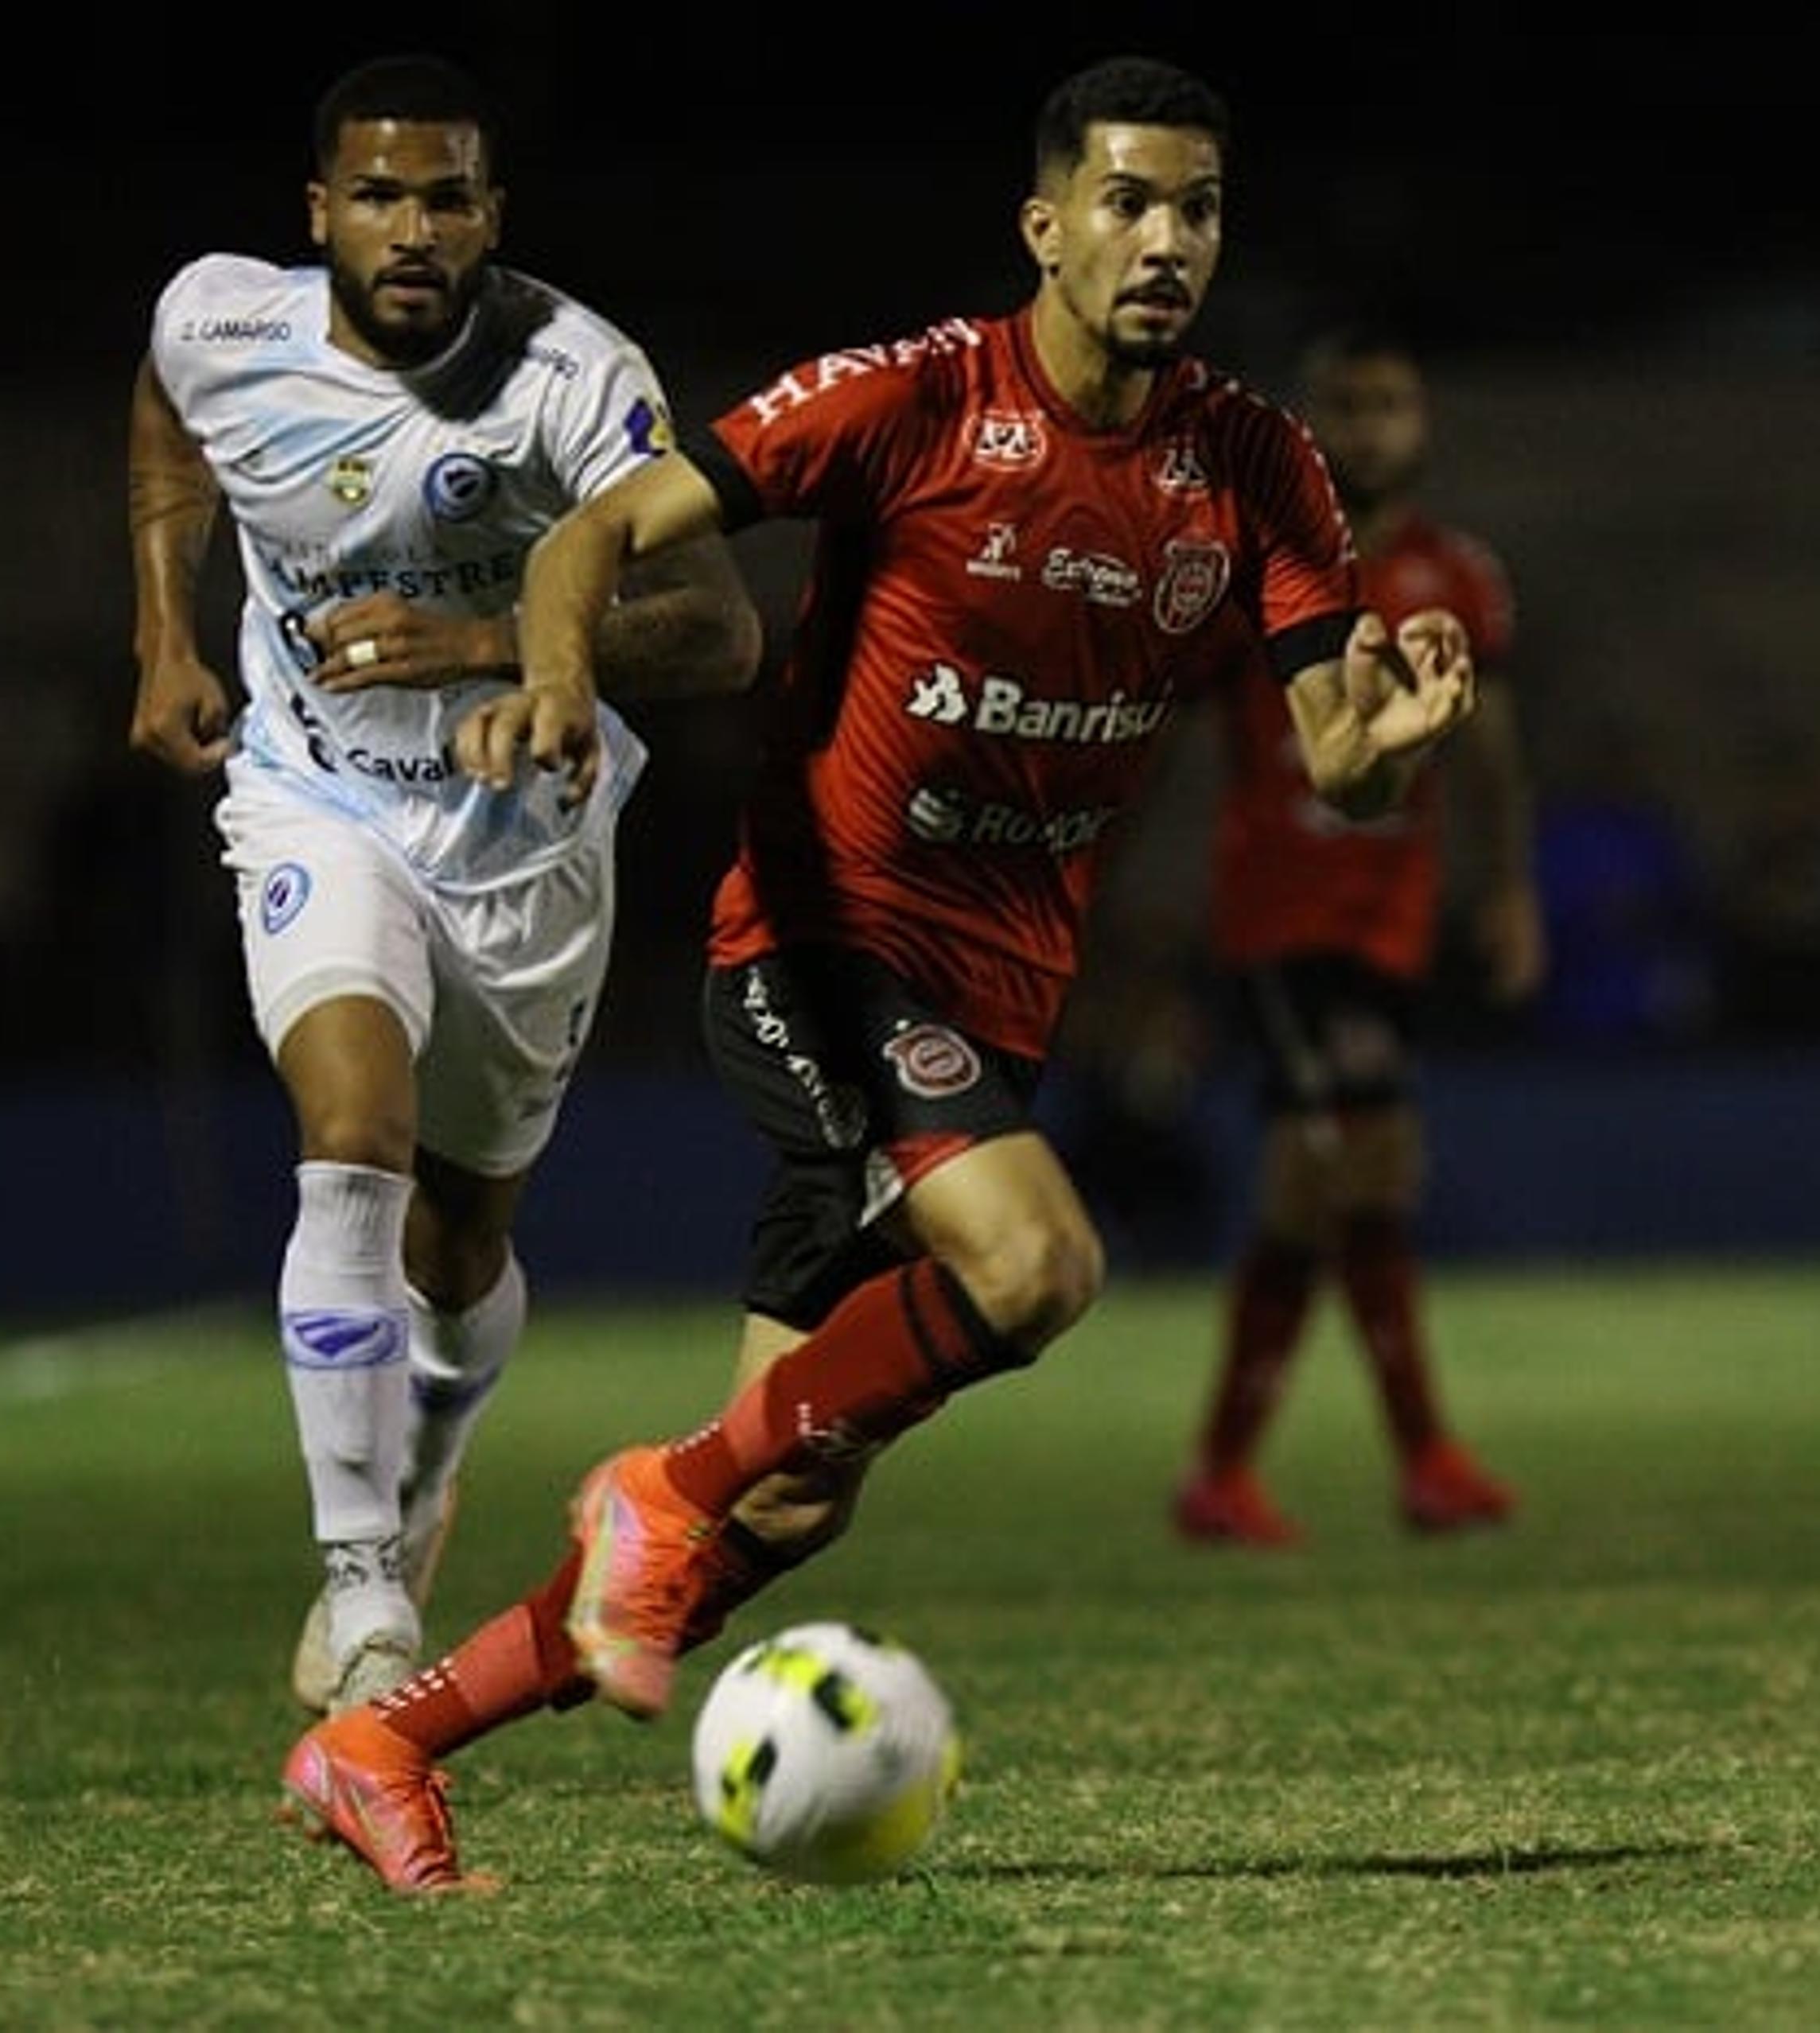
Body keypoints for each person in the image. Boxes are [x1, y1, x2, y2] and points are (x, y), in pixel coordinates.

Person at [274, 55, 1477, 1894]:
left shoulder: (1249, 461)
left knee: (791, 1487)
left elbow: (1333, 754)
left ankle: (387, 1740)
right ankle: (646, 1499)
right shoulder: (917, 398)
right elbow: (600, 528)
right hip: (819, 944)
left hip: (996, 995)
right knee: (1039, 1260)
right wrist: (560, 669)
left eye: (1203, 209)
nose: (1169, 242)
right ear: (1048, 225)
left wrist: (1387, 740)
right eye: (1133, 202)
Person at [125, 52, 763, 1719]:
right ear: (318, 210)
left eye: (450, 197)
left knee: (462, 1235)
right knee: (352, 1133)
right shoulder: (221, 322)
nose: (414, 227)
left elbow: (718, 628)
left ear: (494, 217)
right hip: (314, 799)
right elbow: (168, 418)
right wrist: (166, 634)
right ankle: (366, 1596)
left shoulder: (571, 378)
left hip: (524, 843)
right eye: (381, 194)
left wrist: (494, 644)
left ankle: (426, 1479)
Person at [1168, 324, 1543, 1547]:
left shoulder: (1458, 576)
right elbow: (1165, 742)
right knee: (1336, 1166)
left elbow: (1487, 753)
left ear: (1422, 423)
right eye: (1346, 403)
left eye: (1391, 401)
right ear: (1308, 423)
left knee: (1354, 1177)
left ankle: (1257, 1469)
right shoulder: (1254, 568)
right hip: (1275, 919)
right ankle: (1394, 1459)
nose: (1369, 425)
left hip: (1390, 922)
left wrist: (1510, 892)